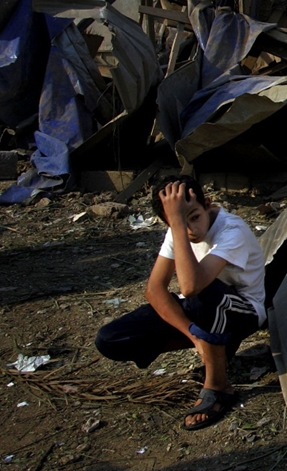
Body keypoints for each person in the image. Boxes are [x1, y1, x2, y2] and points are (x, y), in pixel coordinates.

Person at [95, 176, 266, 430]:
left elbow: (190, 286)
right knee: (110, 338)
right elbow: (154, 290)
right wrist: (193, 335)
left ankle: (219, 387)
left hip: (244, 310)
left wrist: (177, 222)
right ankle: (213, 349)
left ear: (207, 204)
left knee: (201, 293)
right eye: (179, 223)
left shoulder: (232, 230)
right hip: (203, 309)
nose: (190, 230)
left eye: (195, 217)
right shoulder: (177, 229)